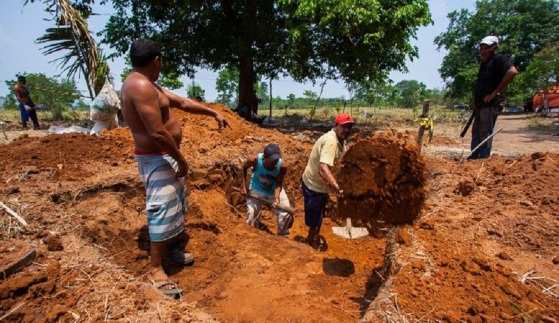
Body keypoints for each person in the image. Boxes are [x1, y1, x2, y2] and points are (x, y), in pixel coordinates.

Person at [121, 39, 229, 297]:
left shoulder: (149, 84)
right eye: (162, 62)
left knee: (176, 206)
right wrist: (180, 159)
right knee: (161, 208)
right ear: (156, 60)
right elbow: (157, 132)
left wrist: (212, 112)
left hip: (165, 156)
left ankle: (172, 251)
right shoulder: (138, 86)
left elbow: (181, 102)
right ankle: (156, 270)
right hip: (157, 157)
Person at [301, 113, 354, 250]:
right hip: (314, 185)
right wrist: (337, 187)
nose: (347, 130)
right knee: (314, 217)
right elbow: (323, 168)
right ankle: (310, 241)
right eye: (344, 127)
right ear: (336, 126)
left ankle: (313, 236)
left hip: (321, 184)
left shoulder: (341, 140)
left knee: (319, 214)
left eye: (349, 127)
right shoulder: (331, 141)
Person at [470, 35, 518, 159]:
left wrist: (494, 93)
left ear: (494, 47)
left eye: (486, 48)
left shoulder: (499, 59)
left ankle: (482, 158)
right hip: (480, 105)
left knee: (485, 131)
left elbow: (512, 72)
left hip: (490, 104)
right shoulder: (485, 63)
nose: (483, 51)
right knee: (476, 131)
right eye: (481, 48)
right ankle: (474, 156)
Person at [240, 143, 293, 236]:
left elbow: (279, 183)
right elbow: (244, 168)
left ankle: (282, 235)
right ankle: (252, 232)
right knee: (251, 212)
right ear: (265, 158)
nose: (275, 162)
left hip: (273, 189)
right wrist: (244, 187)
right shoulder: (255, 160)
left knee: (285, 213)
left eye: (276, 159)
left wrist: (276, 197)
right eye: (272, 160)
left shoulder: (282, 166)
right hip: (257, 188)